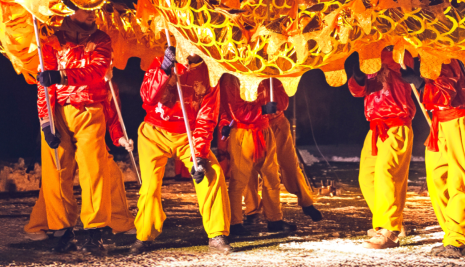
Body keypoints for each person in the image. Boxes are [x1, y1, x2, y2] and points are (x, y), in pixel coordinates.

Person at [130, 47, 232, 254]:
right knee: (149, 187)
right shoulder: (161, 60)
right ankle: (144, 235)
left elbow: (207, 116)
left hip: (188, 135)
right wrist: (164, 70)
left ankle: (217, 233)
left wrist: (201, 154)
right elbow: (146, 97)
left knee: (212, 174)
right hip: (154, 132)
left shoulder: (211, 72)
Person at [35, 7, 115, 255]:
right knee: (58, 169)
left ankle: (95, 231)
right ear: (71, 9)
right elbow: (43, 84)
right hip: (58, 109)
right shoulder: (52, 39)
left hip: (89, 108)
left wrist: (59, 75)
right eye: (86, 8)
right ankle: (64, 230)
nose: (93, 13)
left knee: (93, 169)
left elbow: (97, 71)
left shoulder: (101, 39)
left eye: (95, 8)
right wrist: (46, 121)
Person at [24, 83, 134, 241]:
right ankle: (42, 223)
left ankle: (120, 222)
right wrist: (46, 123)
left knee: (108, 173)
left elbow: (113, 114)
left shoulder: (109, 83)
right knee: (56, 177)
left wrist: (120, 138)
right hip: (61, 120)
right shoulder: (60, 69)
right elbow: (45, 93)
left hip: (89, 126)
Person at [402, 59, 465, 258]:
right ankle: (451, 234)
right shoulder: (422, 55)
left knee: (461, 181)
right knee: (438, 179)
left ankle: (458, 239)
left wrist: (420, 83)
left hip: (458, 119)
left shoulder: (445, 56)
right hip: (441, 123)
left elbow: (446, 95)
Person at [347, 48, 416, 249]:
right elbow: (357, 91)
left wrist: (379, 55)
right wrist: (359, 74)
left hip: (397, 123)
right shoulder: (367, 58)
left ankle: (389, 228)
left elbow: (405, 68)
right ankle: (389, 220)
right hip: (375, 127)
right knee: (367, 177)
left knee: (388, 173)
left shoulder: (398, 52)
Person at [219, 74, 296, 237]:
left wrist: (272, 85)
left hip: (264, 130)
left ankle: (275, 220)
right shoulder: (231, 76)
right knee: (239, 180)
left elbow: (282, 102)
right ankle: (234, 223)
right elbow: (237, 111)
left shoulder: (265, 73)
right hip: (243, 132)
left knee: (272, 177)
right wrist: (263, 109)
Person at [242, 78, 322, 225]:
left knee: (290, 163)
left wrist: (276, 104)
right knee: (251, 170)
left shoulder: (274, 72)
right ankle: (252, 210)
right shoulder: (245, 71)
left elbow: (284, 100)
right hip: (255, 126)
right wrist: (261, 110)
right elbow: (240, 102)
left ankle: (306, 202)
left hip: (277, 123)